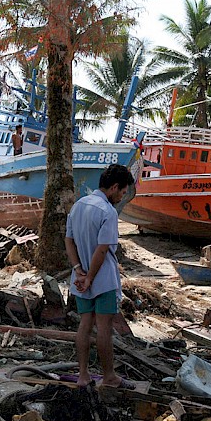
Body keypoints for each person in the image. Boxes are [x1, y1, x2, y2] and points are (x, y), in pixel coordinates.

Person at [65, 163, 136, 389]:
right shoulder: (108, 212)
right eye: (123, 192)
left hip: (80, 278)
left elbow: (69, 240)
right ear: (114, 187)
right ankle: (109, 376)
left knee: (85, 325)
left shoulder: (78, 206)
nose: (121, 197)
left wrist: (78, 270)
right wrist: (91, 277)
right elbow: (102, 249)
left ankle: (83, 375)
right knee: (104, 328)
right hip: (102, 279)